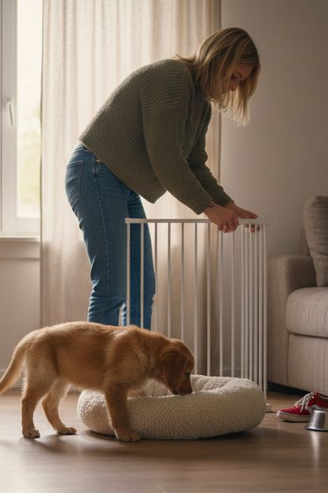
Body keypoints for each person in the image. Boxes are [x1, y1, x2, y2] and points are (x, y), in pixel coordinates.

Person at [65, 27, 260, 330]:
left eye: (241, 82)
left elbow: (194, 165)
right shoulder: (174, 79)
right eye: (234, 77)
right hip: (94, 171)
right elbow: (167, 161)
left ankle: (135, 372)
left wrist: (228, 205)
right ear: (218, 59)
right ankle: (96, 377)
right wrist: (210, 209)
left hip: (121, 184)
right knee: (112, 288)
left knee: (142, 291)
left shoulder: (201, 104)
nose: (234, 88)